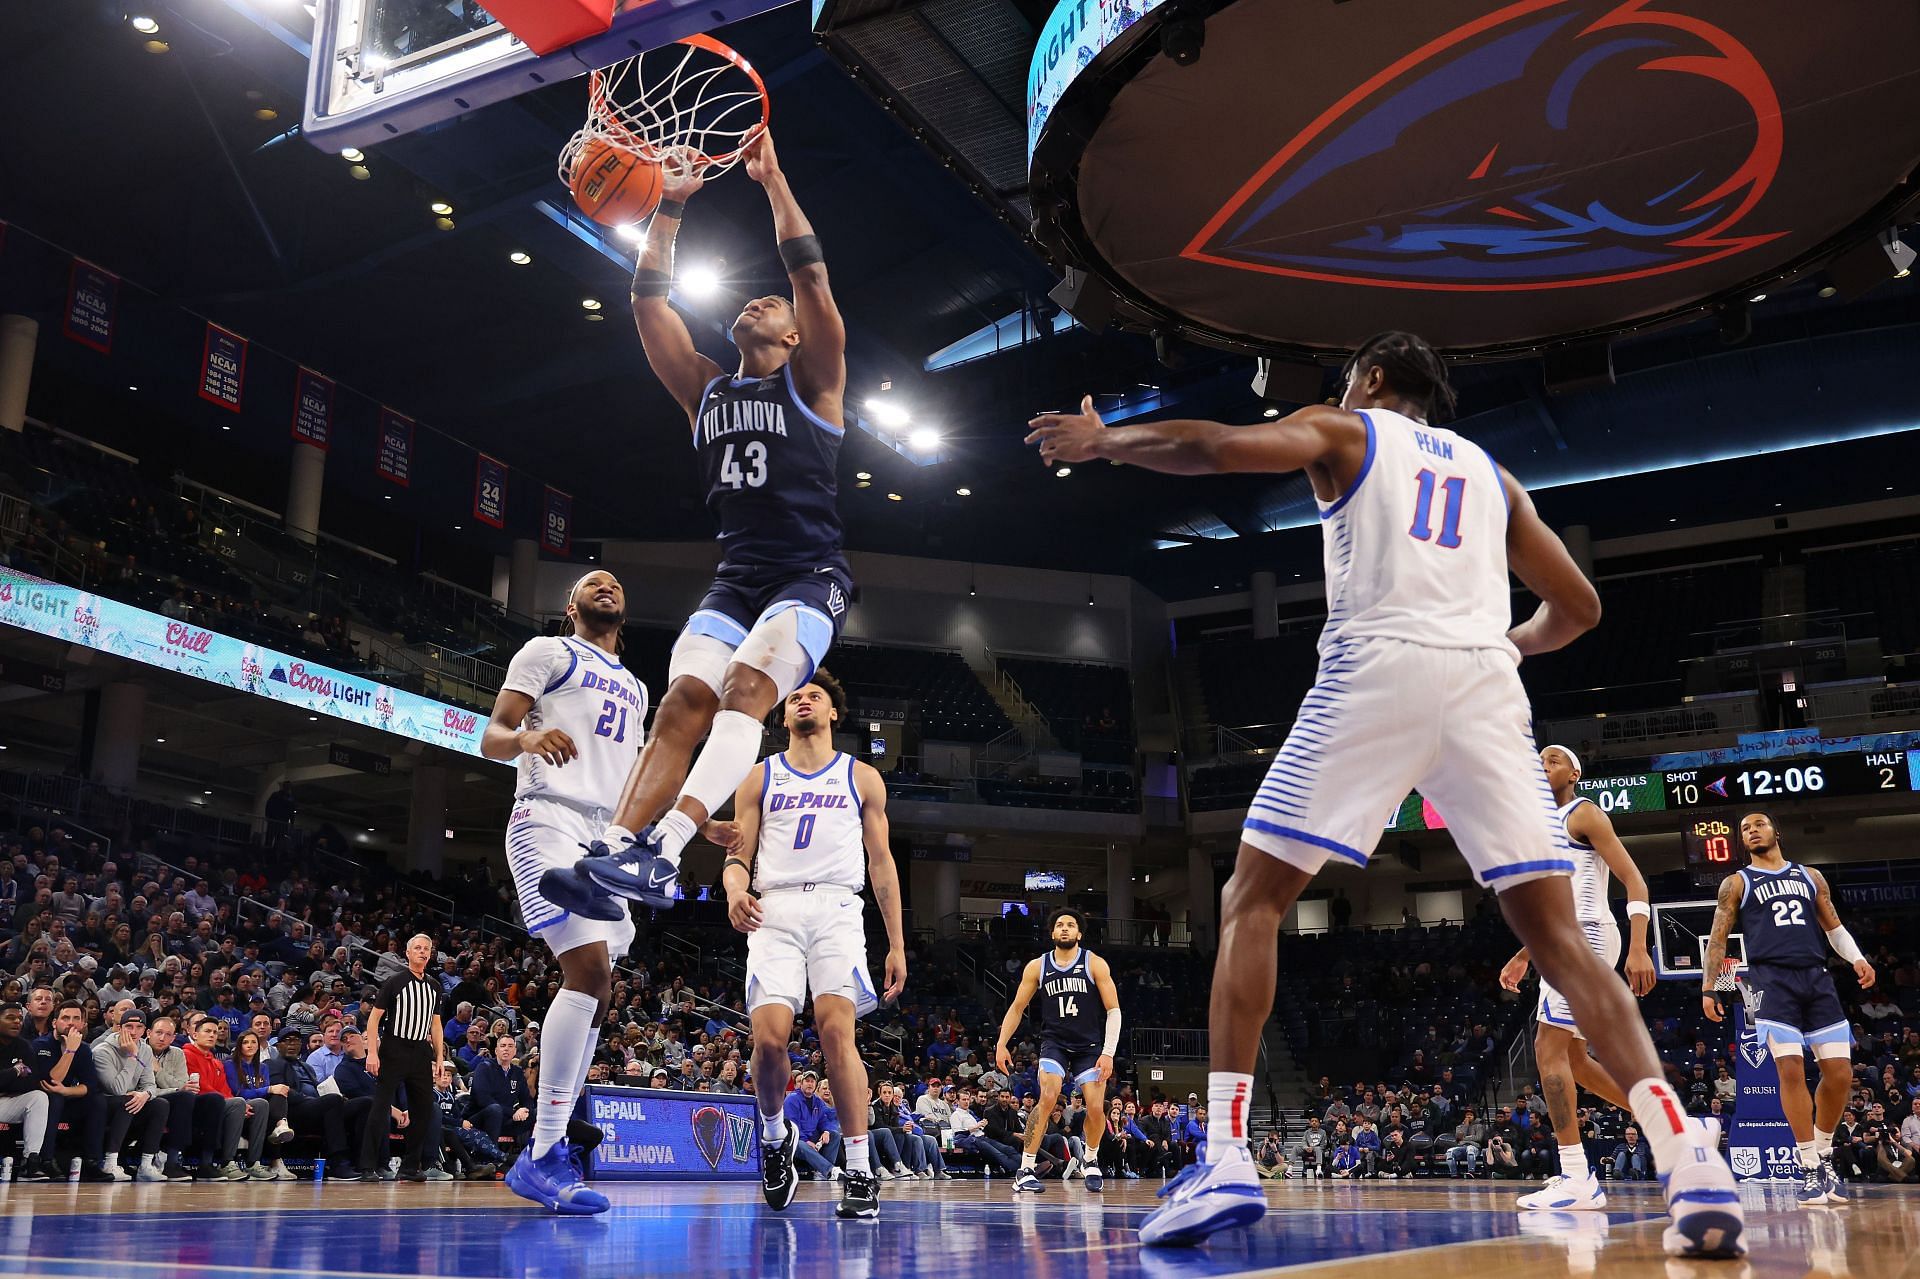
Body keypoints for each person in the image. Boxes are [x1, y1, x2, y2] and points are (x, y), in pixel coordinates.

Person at [1028, 332, 1741, 1258]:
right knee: (1562, 940)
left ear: (1368, 379)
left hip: (1377, 666)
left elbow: (1218, 446)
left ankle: (1228, 1152)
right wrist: (1501, 646)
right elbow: (1581, 610)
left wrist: (1110, 440)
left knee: (1253, 898)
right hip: (1486, 684)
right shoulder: (1493, 475)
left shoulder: (1347, 428)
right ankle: (1688, 1156)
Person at [553, 129, 855, 925]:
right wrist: (672, 205)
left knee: (745, 691)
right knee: (682, 699)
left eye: (774, 306)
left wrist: (773, 178)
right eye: (753, 300)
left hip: (808, 574)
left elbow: (811, 272)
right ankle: (616, 847)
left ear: (793, 336)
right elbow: (648, 301)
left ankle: (668, 844)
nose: (758, 301)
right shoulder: (705, 390)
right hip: (739, 574)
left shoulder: (815, 381)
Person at [482, 572, 649, 1216]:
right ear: (570, 606)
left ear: (625, 609)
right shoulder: (548, 652)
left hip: (605, 837)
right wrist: (525, 737)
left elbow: (634, 779)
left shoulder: (636, 687)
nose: (607, 583)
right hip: (546, 816)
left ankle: (547, 1149)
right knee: (587, 971)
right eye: (592, 582)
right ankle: (544, 1151)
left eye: (614, 581)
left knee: (601, 992)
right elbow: (491, 736)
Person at [719, 674, 906, 1220]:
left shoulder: (863, 777)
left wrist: (895, 943)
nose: (803, 699)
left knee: (835, 1031)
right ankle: (776, 1139)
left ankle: (859, 1169)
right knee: (770, 1042)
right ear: (783, 717)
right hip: (772, 908)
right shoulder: (758, 777)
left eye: (815, 696)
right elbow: (738, 852)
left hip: (837, 909)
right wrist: (734, 889)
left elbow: (882, 864)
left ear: (833, 714)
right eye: (795, 696)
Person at [1497, 744, 1657, 1211]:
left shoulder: (1584, 814)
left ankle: (1577, 1178)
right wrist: (1526, 954)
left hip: (1584, 938)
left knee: (1547, 1048)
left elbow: (1635, 879)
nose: (1543, 765)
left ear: (1575, 771)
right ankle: (1671, 1125)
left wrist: (1640, 945)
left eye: (1553, 759)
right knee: (1576, 1059)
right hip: (1564, 939)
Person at [1705, 810, 1875, 1209]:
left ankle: (1824, 1153)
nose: (1751, 830)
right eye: (1744, 828)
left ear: (1776, 831)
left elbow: (1832, 927)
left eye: (1758, 824)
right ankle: (1807, 1163)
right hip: (1771, 980)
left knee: (1840, 1074)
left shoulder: (1810, 876)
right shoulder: (1737, 882)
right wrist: (1709, 987)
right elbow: (1718, 937)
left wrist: (1857, 958)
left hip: (1816, 978)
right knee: (1791, 1069)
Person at [994, 908, 1121, 1193]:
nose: (1065, 928)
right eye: (1060, 925)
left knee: (1097, 1107)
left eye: (1071, 925)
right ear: (1052, 933)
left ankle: (1090, 1159)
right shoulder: (1037, 967)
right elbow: (1017, 1008)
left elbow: (1113, 1010)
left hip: (1089, 1047)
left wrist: (1109, 1052)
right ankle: (1025, 1168)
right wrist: (1001, 1043)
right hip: (1055, 1044)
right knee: (1048, 1097)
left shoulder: (1094, 963)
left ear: (1079, 933)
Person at [359, 933, 446, 1183]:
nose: (422, 952)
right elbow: (374, 1018)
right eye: (417, 948)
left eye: (426, 949)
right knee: (380, 1107)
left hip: (420, 1051)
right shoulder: (394, 982)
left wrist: (439, 1056)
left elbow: (436, 1025)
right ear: (407, 954)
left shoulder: (435, 986)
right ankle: (368, 1166)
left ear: (430, 954)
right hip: (394, 1047)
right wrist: (372, 1052)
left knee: (424, 1109)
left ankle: (410, 1166)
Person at [270, 1026, 368, 1181]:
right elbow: (283, 1092)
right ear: (278, 1045)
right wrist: (316, 1101)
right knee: (332, 1101)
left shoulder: (306, 1066)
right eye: (287, 1041)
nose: (292, 1044)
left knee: (364, 1103)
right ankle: (338, 1163)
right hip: (294, 1111)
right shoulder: (272, 1064)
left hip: (318, 1106)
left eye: (296, 1041)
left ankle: (365, 1163)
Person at [0, 1002, 54, 1181]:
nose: (17, 1022)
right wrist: (15, 1072)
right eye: (10, 1017)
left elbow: (32, 1083)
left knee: (39, 1097)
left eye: (20, 1019)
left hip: (7, 1102)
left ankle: (30, 1163)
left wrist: (6, 1084)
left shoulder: (24, 1046)